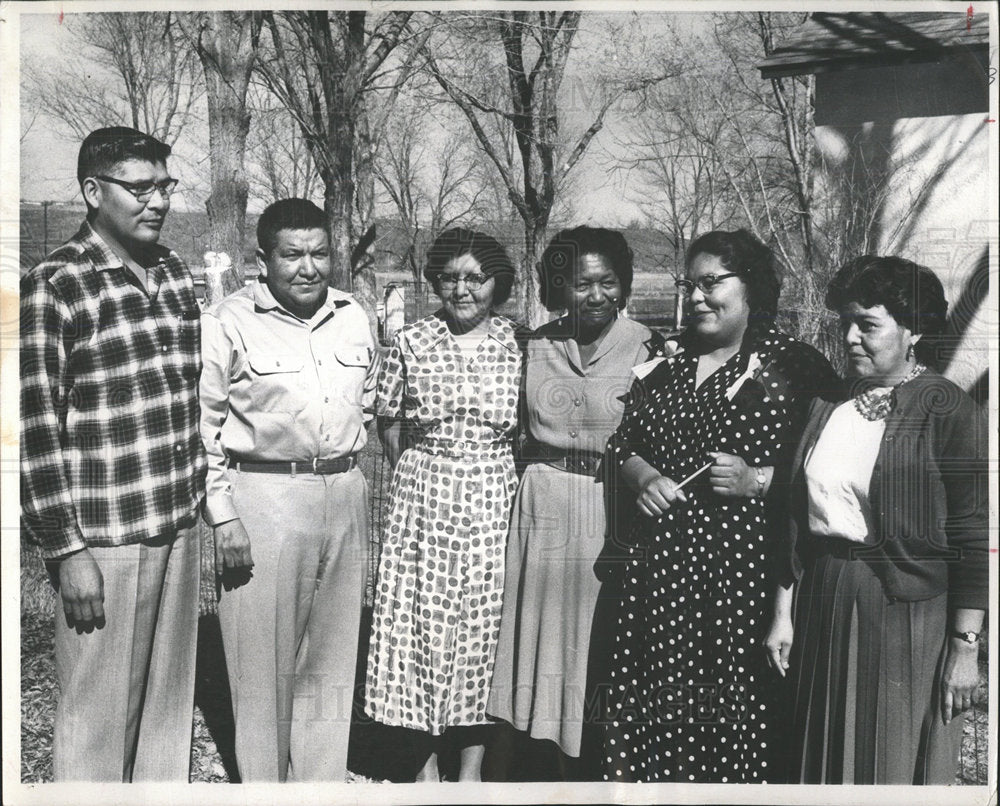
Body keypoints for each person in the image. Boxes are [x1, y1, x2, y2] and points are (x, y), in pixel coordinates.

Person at [603, 229, 835, 783]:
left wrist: (760, 480)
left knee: (733, 717)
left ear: (751, 285)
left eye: (712, 283)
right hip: (659, 577)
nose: (697, 298)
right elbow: (622, 445)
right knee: (655, 707)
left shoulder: (794, 366)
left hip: (744, 579)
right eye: (691, 285)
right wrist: (644, 477)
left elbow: (838, 465)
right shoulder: (668, 363)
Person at [20, 127, 205, 781]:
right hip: (104, 542)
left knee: (164, 718)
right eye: (140, 187)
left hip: (178, 529)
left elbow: (189, 403)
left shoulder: (175, 274)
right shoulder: (54, 285)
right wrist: (67, 551)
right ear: (93, 192)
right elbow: (33, 433)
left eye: (165, 186)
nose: (157, 201)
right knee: (97, 725)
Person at [764, 256, 988, 784]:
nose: (849, 337)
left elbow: (974, 534)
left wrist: (965, 647)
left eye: (867, 325)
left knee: (888, 759)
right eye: (845, 322)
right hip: (824, 597)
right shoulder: (824, 405)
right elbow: (793, 516)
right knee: (818, 759)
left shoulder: (949, 410)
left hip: (908, 616)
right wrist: (782, 609)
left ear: (912, 330)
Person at [198, 198, 377, 781]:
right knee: (262, 664)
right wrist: (224, 515)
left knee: (330, 657)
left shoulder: (356, 315)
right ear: (262, 260)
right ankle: (267, 788)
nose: (309, 268)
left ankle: (320, 785)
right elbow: (203, 428)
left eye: (320, 253)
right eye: (292, 254)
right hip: (265, 497)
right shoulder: (227, 320)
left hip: (345, 492)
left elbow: (368, 404)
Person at [487, 227, 664, 777]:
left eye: (608, 283)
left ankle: (588, 765)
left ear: (624, 285)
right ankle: (525, 759)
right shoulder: (533, 344)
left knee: (592, 639)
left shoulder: (649, 348)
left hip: (608, 506)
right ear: (559, 287)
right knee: (534, 635)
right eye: (581, 284)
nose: (596, 296)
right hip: (540, 506)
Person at [365, 228, 523, 782]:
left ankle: (472, 766)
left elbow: (529, 429)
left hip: (494, 495)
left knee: (484, 626)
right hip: (424, 494)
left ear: (496, 282)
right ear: (435, 281)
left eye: (476, 278)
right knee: (420, 623)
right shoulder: (410, 340)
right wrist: (418, 467)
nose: (462, 289)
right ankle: (425, 764)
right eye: (450, 277)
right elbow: (386, 417)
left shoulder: (518, 343)